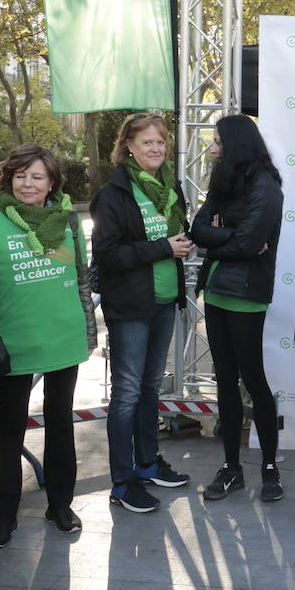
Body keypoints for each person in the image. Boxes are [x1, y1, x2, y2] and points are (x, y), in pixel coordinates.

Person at [0, 144, 95, 547]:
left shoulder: (67, 221)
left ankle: (60, 506)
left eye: (37, 176)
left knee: (60, 424)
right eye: (20, 176)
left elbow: (83, 280)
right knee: (9, 430)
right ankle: (2, 516)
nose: (27, 184)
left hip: (63, 337)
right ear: (7, 180)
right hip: (11, 343)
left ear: (52, 182)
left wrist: (89, 334)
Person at [91, 112, 193, 514]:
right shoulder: (113, 194)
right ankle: (122, 481)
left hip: (164, 302)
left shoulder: (171, 189)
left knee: (151, 388)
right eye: (147, 142)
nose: (155, 149)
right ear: (128, 146)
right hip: (130, 307)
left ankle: (148, 463)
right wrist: (164, 248)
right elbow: (108, 255)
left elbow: (177, 236)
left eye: (160, 142)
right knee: (128, 393)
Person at [190, 114, 284, 503]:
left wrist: (223, 238)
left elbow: (250, 246)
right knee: (224, 382)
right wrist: (230, 237)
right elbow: (197, 229)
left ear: (237, 144)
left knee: (253, 380)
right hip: (215, 292)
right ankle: (231, 469)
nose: (213, 149)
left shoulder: (267, 186)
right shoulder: (225, 181)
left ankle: (269, 469)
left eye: (218, 143)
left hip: (246, 295)